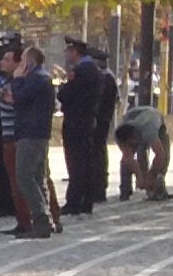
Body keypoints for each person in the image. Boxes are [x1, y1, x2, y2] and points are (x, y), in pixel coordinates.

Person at [8, 45, 60, 237]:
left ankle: (41, 218)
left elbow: (20, 98)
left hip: (30, 133)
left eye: (22, 60)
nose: (19, 64)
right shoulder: (42, 78)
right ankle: (47, 219)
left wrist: (16, 80)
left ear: (29, 61)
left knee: (24, 176)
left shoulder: (37, 78)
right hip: (38, 133)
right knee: (39, 177)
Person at [59, 38, 113, 214]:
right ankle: (86, 200)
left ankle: (75, 201)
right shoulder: (94, 70)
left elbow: (65, 95)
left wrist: (64, 86)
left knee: (77, 163)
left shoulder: (81, 71)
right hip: (88, 120)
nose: (66, 55)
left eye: (68, 51)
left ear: (75, 52)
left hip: (77, 121)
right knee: (87, 161)